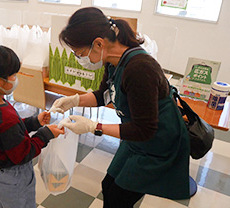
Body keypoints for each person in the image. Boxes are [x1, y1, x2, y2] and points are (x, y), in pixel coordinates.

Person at [51, 7, 190, 208]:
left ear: (98, 43)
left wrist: (93, 127)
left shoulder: (140, 69)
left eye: (80, 53)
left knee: (118, 198)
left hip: (157, 143)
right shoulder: (112, 61)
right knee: (109, 186)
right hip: (136, 138)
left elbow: (145, 129)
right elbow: (103, 95)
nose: (80, 60)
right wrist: (74, 100)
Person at [0, 44, 64, 208]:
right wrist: (45, 134)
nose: (15, 79)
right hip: (14, 178)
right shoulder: (6, 117)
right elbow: (23, 153)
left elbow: (10, 134)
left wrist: (34, 122)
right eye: (13, 75)